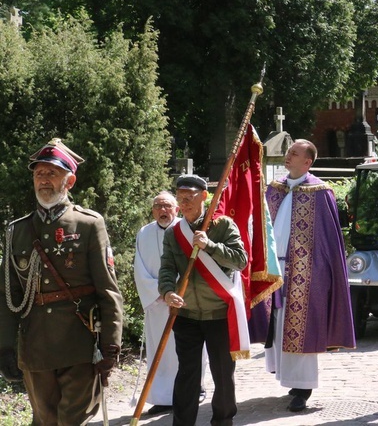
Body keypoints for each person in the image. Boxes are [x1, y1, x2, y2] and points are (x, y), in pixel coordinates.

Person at [0, 138, 124, 425]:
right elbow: (8, 294)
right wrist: (5, 348)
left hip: (78, 342)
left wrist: (111, 346)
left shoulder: (88, 224)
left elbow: (108, 290)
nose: (44, 180)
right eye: (39, 173)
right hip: (35, 346)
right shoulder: (17, 231)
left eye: (52, 173)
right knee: (44, 420)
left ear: (69, 181)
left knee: (72, 420)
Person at [264, 139, 355, 413]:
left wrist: (323, 274)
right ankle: (289, 381)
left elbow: (328, 240)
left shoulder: (320, 192)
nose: (288, 156)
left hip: (306, 271)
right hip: (274, 269)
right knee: (279, 328)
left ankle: (303, 389)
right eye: (289, 151)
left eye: (295, 153)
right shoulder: (274, 189)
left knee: (301, 331)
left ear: (308, 162)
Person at [159, 175, 248, 426]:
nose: (184, 202)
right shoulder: (174, 232)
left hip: (218, 314)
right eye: (180, 197)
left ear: (204, 196)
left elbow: (240, 260)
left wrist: (210, 245)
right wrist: (167, 292)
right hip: (186, 315)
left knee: (222, 375)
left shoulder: (223, 226)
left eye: (190, 196)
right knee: (187, 374)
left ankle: (223, 421)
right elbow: (166, 268)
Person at [134, 191, 207, 416]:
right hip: (157, 305)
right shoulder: (144, 233)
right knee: (161, 351)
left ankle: (195, 388)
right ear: (153, 210)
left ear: (176, 209)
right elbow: (139, 269)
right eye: (158, 206)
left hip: (185, 301)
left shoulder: (185, 230)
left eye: (167, 206)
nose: (162, 211)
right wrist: (161, 294)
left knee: (186, 349)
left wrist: (178, 292)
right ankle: (164, 397)